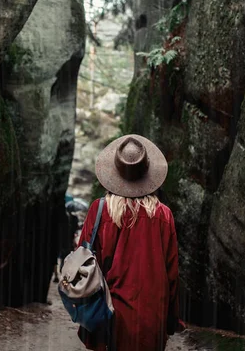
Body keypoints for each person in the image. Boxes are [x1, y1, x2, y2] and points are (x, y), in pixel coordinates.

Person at [76, 134, 185, 351]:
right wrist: (171, 317)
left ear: (116, 173)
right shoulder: (163, 215)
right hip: (153, 316)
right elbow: (172, 273)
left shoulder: (100, 210)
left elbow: (83, 262)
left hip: (110, 314)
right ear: (146, 174)